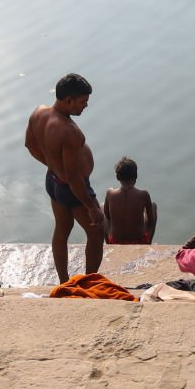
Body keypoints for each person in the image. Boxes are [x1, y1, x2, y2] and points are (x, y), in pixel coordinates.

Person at [25, 73, 103, 284]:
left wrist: (53, 167)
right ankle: (88, 284)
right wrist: (91, 206)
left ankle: (64, 281)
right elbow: (73, 177)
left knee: (62, 230)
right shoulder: (68, 131)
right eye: (82, 102)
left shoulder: (38, 113)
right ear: (68, 100)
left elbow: (30, 145)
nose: (85, 106)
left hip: (53, 181)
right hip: (72, 188)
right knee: (96, 232)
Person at [103, 157, 157, 245]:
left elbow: (108, 217)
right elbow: (150, 221)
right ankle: (148, 242)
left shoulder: (110, 193)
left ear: (118, 177)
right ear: (136, 176)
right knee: (153, 205)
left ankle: (108, 243)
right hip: (140, 241)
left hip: (116, 241)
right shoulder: (144, 194)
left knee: (102, 208)